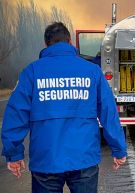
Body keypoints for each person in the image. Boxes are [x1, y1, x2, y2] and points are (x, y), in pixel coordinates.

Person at [1, 22, 127, 193]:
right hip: (84, 159)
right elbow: (108, 112)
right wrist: (118, 149)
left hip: (46, 160)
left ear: (46, 44)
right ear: (70, 42)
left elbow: (16, 115)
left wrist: (14, 153)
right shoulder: (92, 71)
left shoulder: (32, 72)